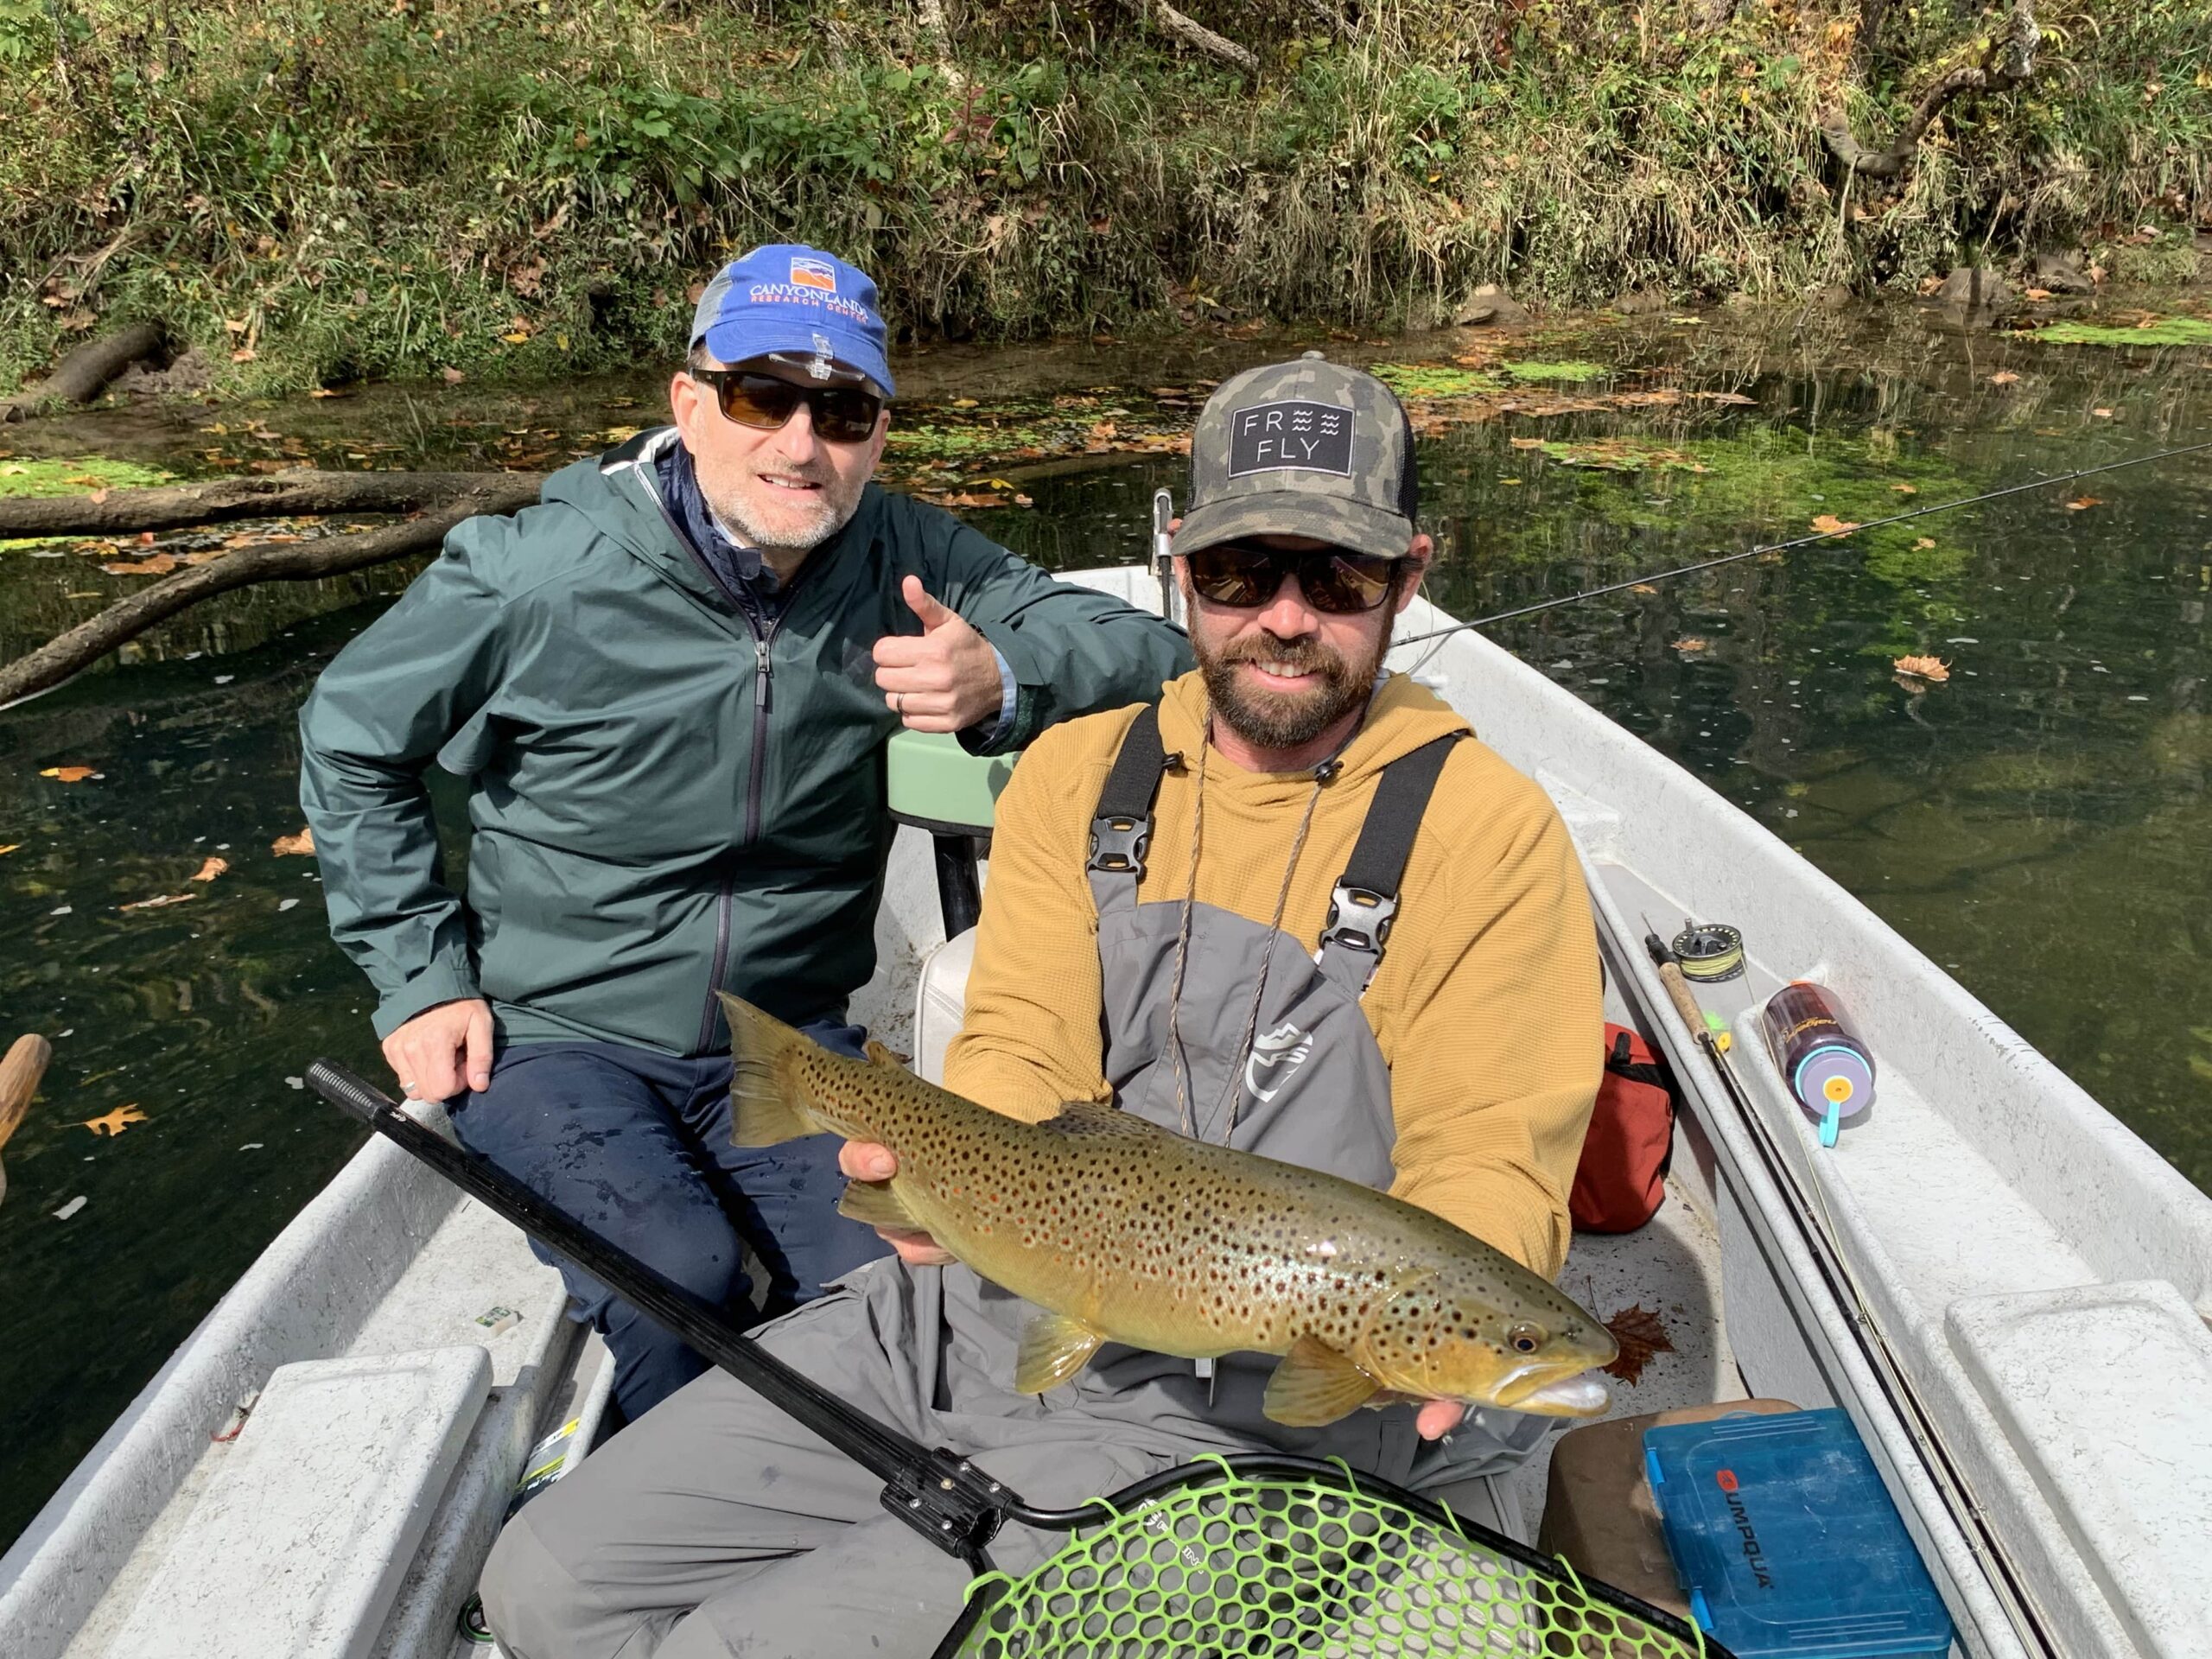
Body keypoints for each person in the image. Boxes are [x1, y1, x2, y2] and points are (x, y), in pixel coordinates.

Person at [474, 354, 1604, 1659]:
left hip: (1252, 1426)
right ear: (1179, 560)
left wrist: (1464, 1331)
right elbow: (1019, 1049)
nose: (1286, 618)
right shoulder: (1080, 769)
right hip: (991, 1307)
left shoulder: (1487, 828)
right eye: (1243, 572)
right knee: (546, 1584)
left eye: (1338, 579)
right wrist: (942, 1190)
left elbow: (1493, 1155)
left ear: (1409, 576)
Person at [296, 244, 1192, 1428]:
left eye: (845, 410)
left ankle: (824, 1525)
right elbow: (352, 738)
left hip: (790, 1040)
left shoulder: (906, 559)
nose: (800, 443)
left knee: (897, 1290)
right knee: (680, 1275)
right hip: (559, 1033)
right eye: (763, 396)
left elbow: (1163, 657)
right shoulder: (534, 574)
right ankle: (642, 1525)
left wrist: (1009, 673)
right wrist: (419, 979)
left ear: (878, 435)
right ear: (690, 403)